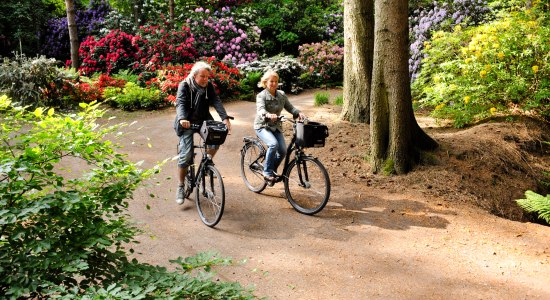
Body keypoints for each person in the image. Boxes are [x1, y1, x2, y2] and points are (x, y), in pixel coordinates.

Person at [173, 61, 232, 205]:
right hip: (186, 121)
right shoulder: (185, 85)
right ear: (194, 76)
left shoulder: (208, 86)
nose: (206, 79)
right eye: (202, 76)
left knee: (216, 139)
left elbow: (216, 101)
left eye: (207, 76)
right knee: (186, 155)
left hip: (203, 120)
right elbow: (180, 103)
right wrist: (182, 119)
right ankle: (181, 186)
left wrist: (225, 118)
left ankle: (206, 162)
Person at [254, 70, 306, 185]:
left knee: (282, 151)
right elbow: (260, 109)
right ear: (265, 82)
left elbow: (290, 108)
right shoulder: (261, 96)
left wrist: (298, 113)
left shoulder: (281, 95)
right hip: (262, 126)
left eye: (276, 81)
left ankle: (271, 169)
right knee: (273, 144)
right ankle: (267, 172)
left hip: (275, 126)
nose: (274, 83)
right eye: (271, 81)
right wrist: (267, 114)